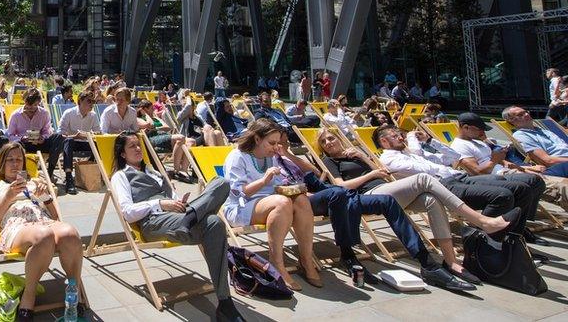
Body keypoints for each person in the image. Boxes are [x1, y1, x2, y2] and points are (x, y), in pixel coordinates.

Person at [316, 129, 514, 285]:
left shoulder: (354, 154)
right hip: (368, 196)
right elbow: (341, 186)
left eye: (331, 138)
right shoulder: (329, 161)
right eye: (324, 142)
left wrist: (362, 156)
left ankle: (450, 260)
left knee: (430, 199)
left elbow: (382, 171)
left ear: (339, 139)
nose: (329, 143)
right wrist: (371, 175)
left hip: (388, 189)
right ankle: (480, 221)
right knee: (423, 179)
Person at [112, 132, 243, 321]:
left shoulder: (153, 171)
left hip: (178, 217)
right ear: (123, 154)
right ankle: (191, 218)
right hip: (154, 222)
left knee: (220, 186)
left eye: (139, 144)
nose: (138, 148)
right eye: (132, 146)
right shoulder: (121, 176)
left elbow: (171, 200)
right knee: (212, 222)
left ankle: (224, 303)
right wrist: (159, 204)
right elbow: (127, 212)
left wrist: (177, 202)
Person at [377, 125, 542, 237]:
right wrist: (413, 141)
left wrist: (429, 140)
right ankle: (480, 238)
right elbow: (422, 170)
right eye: (395, 136)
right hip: (443, 187)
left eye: (401, 135)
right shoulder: (390, 159)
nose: (401, 137)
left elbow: (454, 157)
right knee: (503, 195)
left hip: (460, 177)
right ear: (384, 142)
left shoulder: (413, 152)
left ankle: (514, 235)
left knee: (523, 187)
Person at [0, 142, 84, 320]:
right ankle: (28, 295)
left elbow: (56, 218)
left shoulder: (35, 182)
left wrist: (45, 197)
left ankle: (74, 291)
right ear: (1, 164)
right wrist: (7, 198)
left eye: (19, 160)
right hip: (17, 227)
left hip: (44, 221)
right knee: (44, 235)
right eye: (10, 160)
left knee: (71, 234)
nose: (15, 164)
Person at [222, 119, 320, 291]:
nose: (276, 147)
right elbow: (237, 192)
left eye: (277, 143)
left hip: (270, 202)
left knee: (302, 200)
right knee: (281, 202)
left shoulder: (271, 157)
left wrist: (294, 190)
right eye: (272, 143)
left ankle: (306, 259)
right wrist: (263, 180)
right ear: (257, 139)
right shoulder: (237, 157)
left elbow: (275, 185)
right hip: (241, 207)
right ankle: (276, 261)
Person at [6, 88, 64, 179]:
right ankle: (23, 175)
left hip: (39, 143)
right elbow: (10, 135)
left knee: (59, 137)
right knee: (17, 144)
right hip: (24, 144)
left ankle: (49, 172)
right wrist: (22, 138)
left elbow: (47, 131)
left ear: (39, 103)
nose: (30, 109)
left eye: (34, 106)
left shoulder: (44, 113)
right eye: (28, 106)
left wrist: (43, 138)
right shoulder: (16, 115)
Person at [56, 91, 101, 195]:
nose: (91, 104)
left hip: (86, 141)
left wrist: (91, 134)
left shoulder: (93, 115)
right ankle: (69, 178)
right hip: (71, 142)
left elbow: (98, 132)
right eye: (88, 101)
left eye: (93, 101)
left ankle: (90, 173)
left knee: (99, 144)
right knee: (69, 141)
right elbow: (59, 134)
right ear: (80, 101)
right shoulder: (69, 113)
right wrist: (74, 136)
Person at [137, 99, 194, 180]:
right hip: (152, 139)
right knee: (180, 138)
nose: (154, 109)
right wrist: (147, 115)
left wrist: (154, 128)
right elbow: (151, 125)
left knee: (191, 141)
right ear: (145, 109)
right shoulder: (140, 118)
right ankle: (176, 170)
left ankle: (183, 170)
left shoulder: (156, 118)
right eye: (151, 108)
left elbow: (167, 127)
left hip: (166, 136)